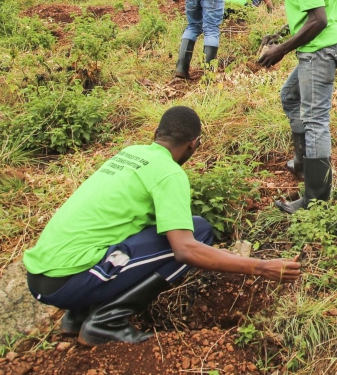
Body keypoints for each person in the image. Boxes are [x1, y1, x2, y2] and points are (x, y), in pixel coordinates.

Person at [22, 106, 300, 346]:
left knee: (169, 230)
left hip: (41, 275)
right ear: (194, 144)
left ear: (156, 134)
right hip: (67, 280)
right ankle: (105, 322)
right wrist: (262, 267)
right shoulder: (169, 173)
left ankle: (78, 315)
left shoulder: (130, 154)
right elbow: (185, 251)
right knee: (199, 233)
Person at [254, 0, 337, 213]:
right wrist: (284, 31)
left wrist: (281, 49)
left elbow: (318, 20)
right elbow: (315, 9)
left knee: (315, 121)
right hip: (327, 41)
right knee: (290, 95)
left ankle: (316, 198)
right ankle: (301, 161)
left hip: (321, 48)